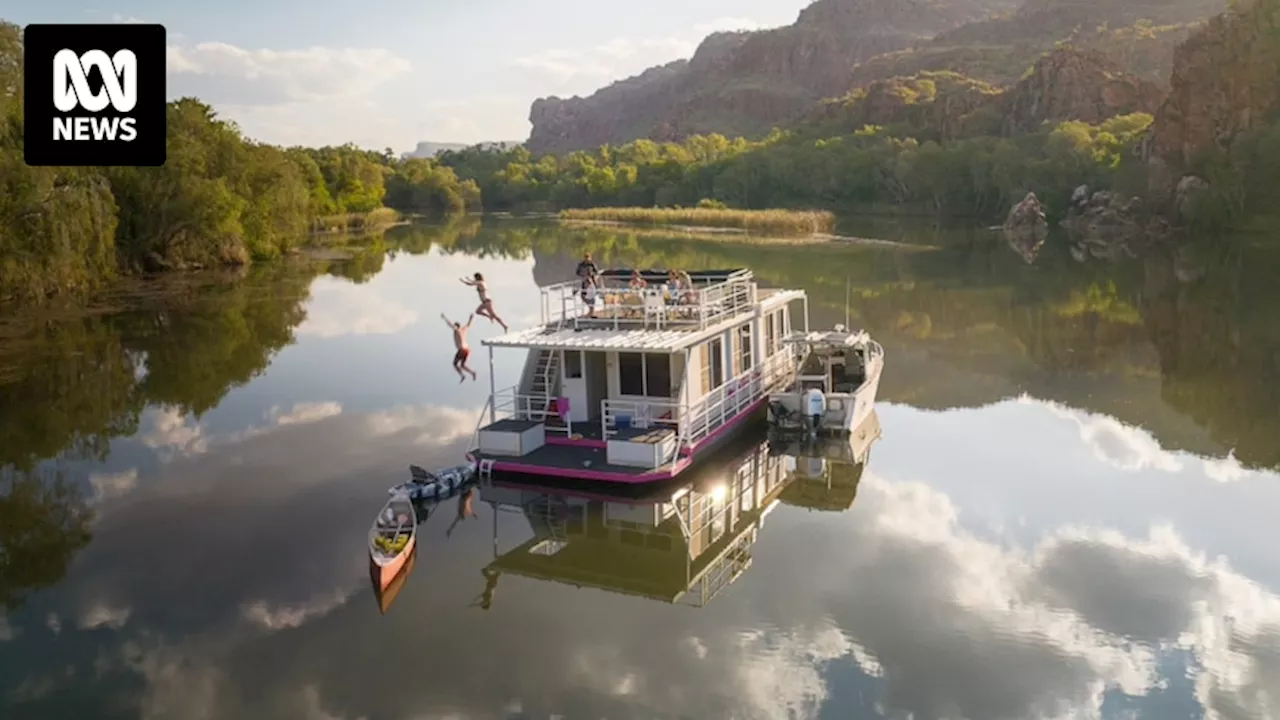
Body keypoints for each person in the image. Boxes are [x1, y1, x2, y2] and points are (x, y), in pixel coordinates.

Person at [442, 312, 478, 382]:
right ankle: (472, 372)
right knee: (462, 365)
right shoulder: (464, 329)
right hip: (467, 349)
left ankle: (462, 375)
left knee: (455, 364)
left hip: (462, 350)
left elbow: (451, 325)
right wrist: (471, 318)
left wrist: (444, 318)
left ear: (456, 326)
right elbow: (469, 324)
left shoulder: (457, 330)